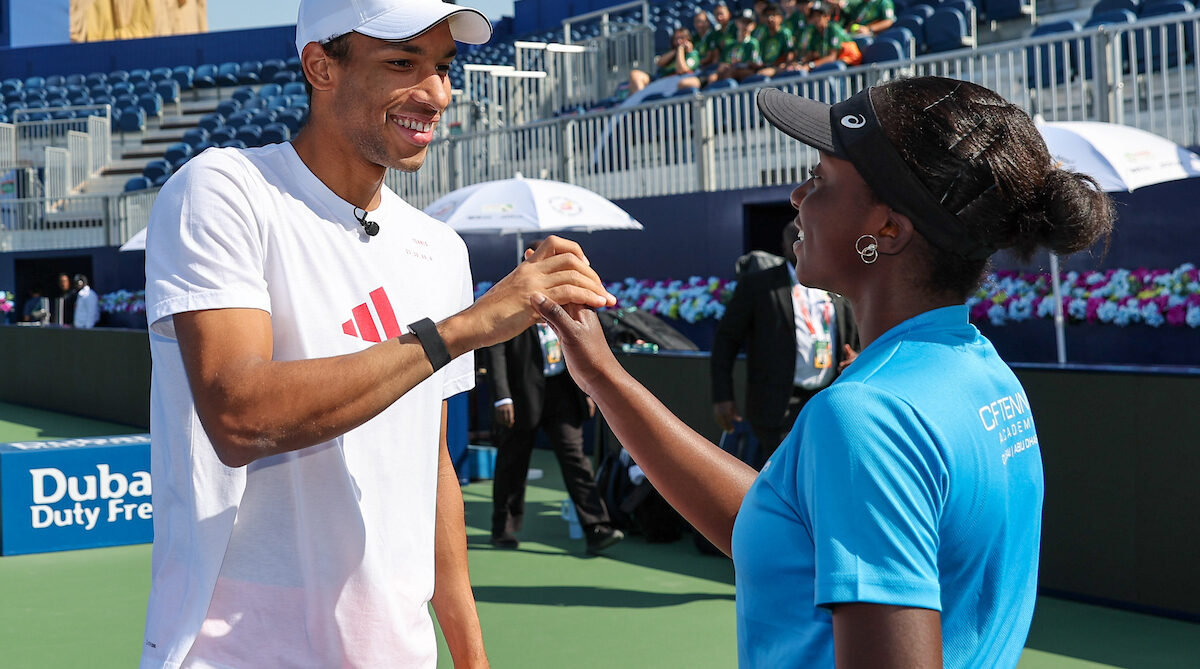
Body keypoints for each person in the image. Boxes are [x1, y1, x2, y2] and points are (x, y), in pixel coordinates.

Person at [529, 76, 1114, 667]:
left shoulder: (868, 415)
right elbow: (778, 532)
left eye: (822, 179)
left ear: (888, 229)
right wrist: (603, 375)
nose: (797, 195)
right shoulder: (982, 370)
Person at [138, 0, 616, 667]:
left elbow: (433, 467)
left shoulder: (438, 248)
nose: (436, 93)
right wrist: (460, 328)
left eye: (444, 67)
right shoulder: (223, 190)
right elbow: (239, 414)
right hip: (237, 652)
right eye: (402, 62)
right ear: (319, 65)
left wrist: (472, 656)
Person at [486, 244, 624, 554]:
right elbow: (494, 347)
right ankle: (503, 529)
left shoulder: (568, 293)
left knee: (575, 458)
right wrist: (501, 397)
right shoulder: (510, 293)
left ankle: (596, 527)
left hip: (562, 390)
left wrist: (587, 389)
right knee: (513, 462)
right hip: (521, 393)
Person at [711, 220, 858, 467]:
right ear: (783, 244)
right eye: (794, 235)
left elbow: (856, 336)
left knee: (820, 471)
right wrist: (722, 396)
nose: (799, 239)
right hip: (777, 404)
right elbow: (726, 340)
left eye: (805, 234)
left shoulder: (836, 282)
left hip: (826, 398)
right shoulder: (758, 285)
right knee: (780, 477)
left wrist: (858, 356)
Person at [627, 27, 701, 94]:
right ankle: (640, 100)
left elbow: (681, 70)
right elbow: (660, 63)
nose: (678, 41)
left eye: (682, 38)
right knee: (635, 74)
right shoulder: (671, 53)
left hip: (675, 81)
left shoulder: (693, 54)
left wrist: (680, 50)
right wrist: (676, 51)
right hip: (661, 80)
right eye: (676, 39)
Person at [795, 0, 861, 71]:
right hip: (836, 63)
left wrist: (811, 65)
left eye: (819, 16)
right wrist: (799, 64)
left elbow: (832, 57)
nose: (816, 19)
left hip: (851, 63)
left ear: (827, 16)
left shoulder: (833, 28)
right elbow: (811, 55)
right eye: (813, 16)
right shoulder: (814, 32)